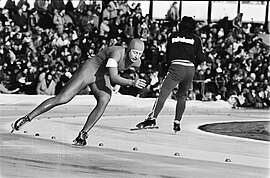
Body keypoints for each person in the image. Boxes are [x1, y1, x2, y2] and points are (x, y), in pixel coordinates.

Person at [11, 38, 146, 146]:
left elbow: (120, 75)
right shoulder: (116, 53)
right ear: (128, 49)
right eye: (134, 52)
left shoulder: (137, 62)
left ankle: (83, 134)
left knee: (104, 99)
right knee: (63, 98)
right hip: (89, 70)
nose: (136, 56)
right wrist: (132, 83)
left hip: (101, 76)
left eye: (139, 54)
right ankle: (27, 118)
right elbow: (114, 77)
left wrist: (137, 80)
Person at [135, 16, 204, 133]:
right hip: (190, 69)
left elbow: (168, 55)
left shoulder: (173, 36)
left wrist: (168, 66)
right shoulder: (196, 39)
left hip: (176, 67)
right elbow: (201, 57)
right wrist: (193, 64)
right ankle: (177, 122)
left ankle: (152, 118)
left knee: (163, 94)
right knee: (182, 96)